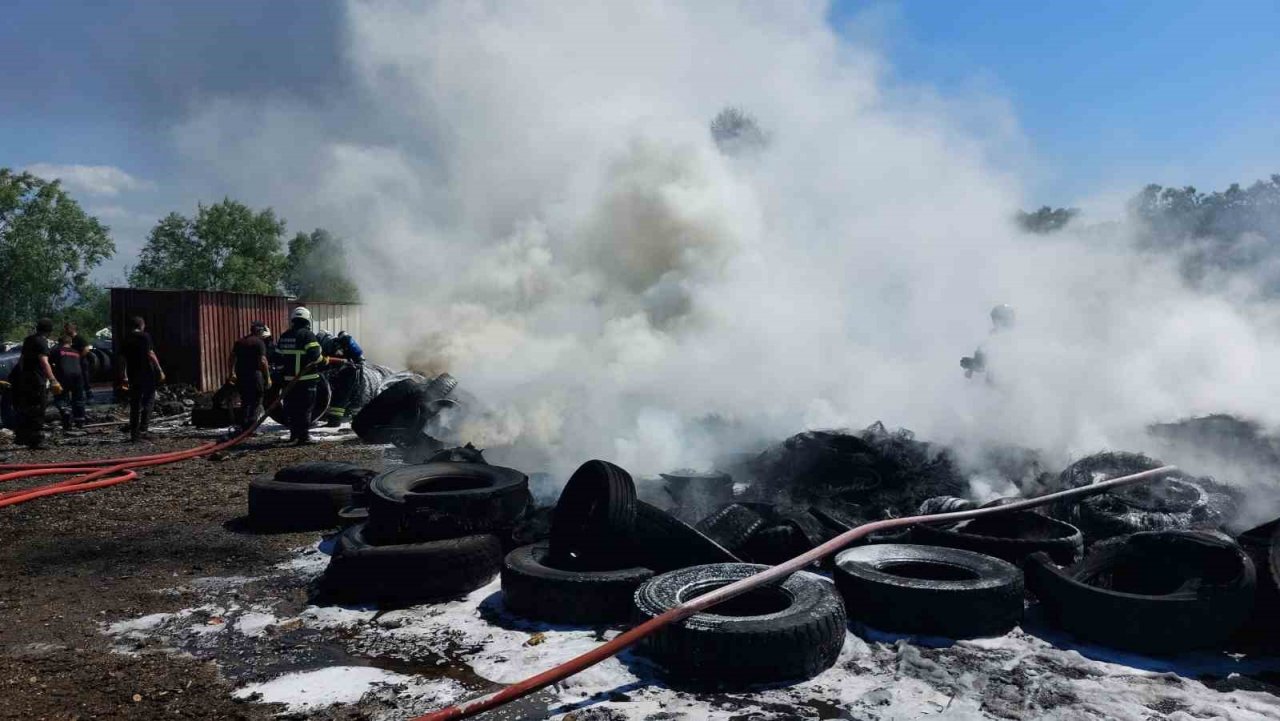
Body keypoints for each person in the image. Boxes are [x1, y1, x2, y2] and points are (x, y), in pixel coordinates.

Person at [273, 307, 347, 445]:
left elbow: (277, 358)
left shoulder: (284, 336)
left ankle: (294, 436)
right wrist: (328, 361)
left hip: (288, 382)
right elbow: (316, 358)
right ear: (308, 320)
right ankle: (304, 437)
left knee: (292, 409)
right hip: (306, 381)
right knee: (305, 410)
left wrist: (284, 372)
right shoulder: (308, 335)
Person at [12, 319, 62, 449]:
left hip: (26, 380)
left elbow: (22, 360)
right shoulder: (42, 341)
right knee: (38, 409)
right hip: (37, 380)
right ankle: (36, 440)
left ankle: (22, 437)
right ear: (49, 331)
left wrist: (21, 377)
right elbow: (44, 362)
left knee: (26, 408)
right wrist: (53, 380)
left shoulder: (28, 340)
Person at [118, 316, 165, 442]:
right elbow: (150, 353)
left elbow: (122, 359)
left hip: (133, 374)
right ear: (141, 325)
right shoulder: (145, 336)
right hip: (146, 372)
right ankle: (143, 429)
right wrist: (159, 369)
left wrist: (124, 375)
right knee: (149, 400)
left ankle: (134, 433)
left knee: (135, 403)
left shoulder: (126, 339)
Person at [228, 320, 272, 432]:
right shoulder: (259, 343)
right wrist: (268, 378)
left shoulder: (240, 342)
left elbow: (232, 358)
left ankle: (243, 426)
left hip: (241, 375)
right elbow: (263, 361)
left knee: (245, 400)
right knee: (256, 401)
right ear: (261, 331)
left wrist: (232, 373)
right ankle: (251, 428)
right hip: (255, 376)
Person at [961, 304, 1015, 382]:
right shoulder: (991, 337)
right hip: (993, 386)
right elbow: (981, 365)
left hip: (1008, 386)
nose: (995, 322)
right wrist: (971, 365)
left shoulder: (1016, 339)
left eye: (998, 319)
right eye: (994, 319)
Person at [322, 330, 365, 427]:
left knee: (340, 396)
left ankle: (334, 421)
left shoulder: (337, 345)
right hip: (349, 371)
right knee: (347, 395)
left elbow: (333, 360)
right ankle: (354, 417)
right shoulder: (336, 344)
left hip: (348, 372)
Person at [51, 333, 87, 430]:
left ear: (60, 343)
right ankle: (80, 421)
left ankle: (65, 412)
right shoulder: (76, 352)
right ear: (70, 342)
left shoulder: (57, 350)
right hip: (78, 375)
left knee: (61, 397)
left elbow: (49, 363)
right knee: (78, 398)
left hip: (64, 375)